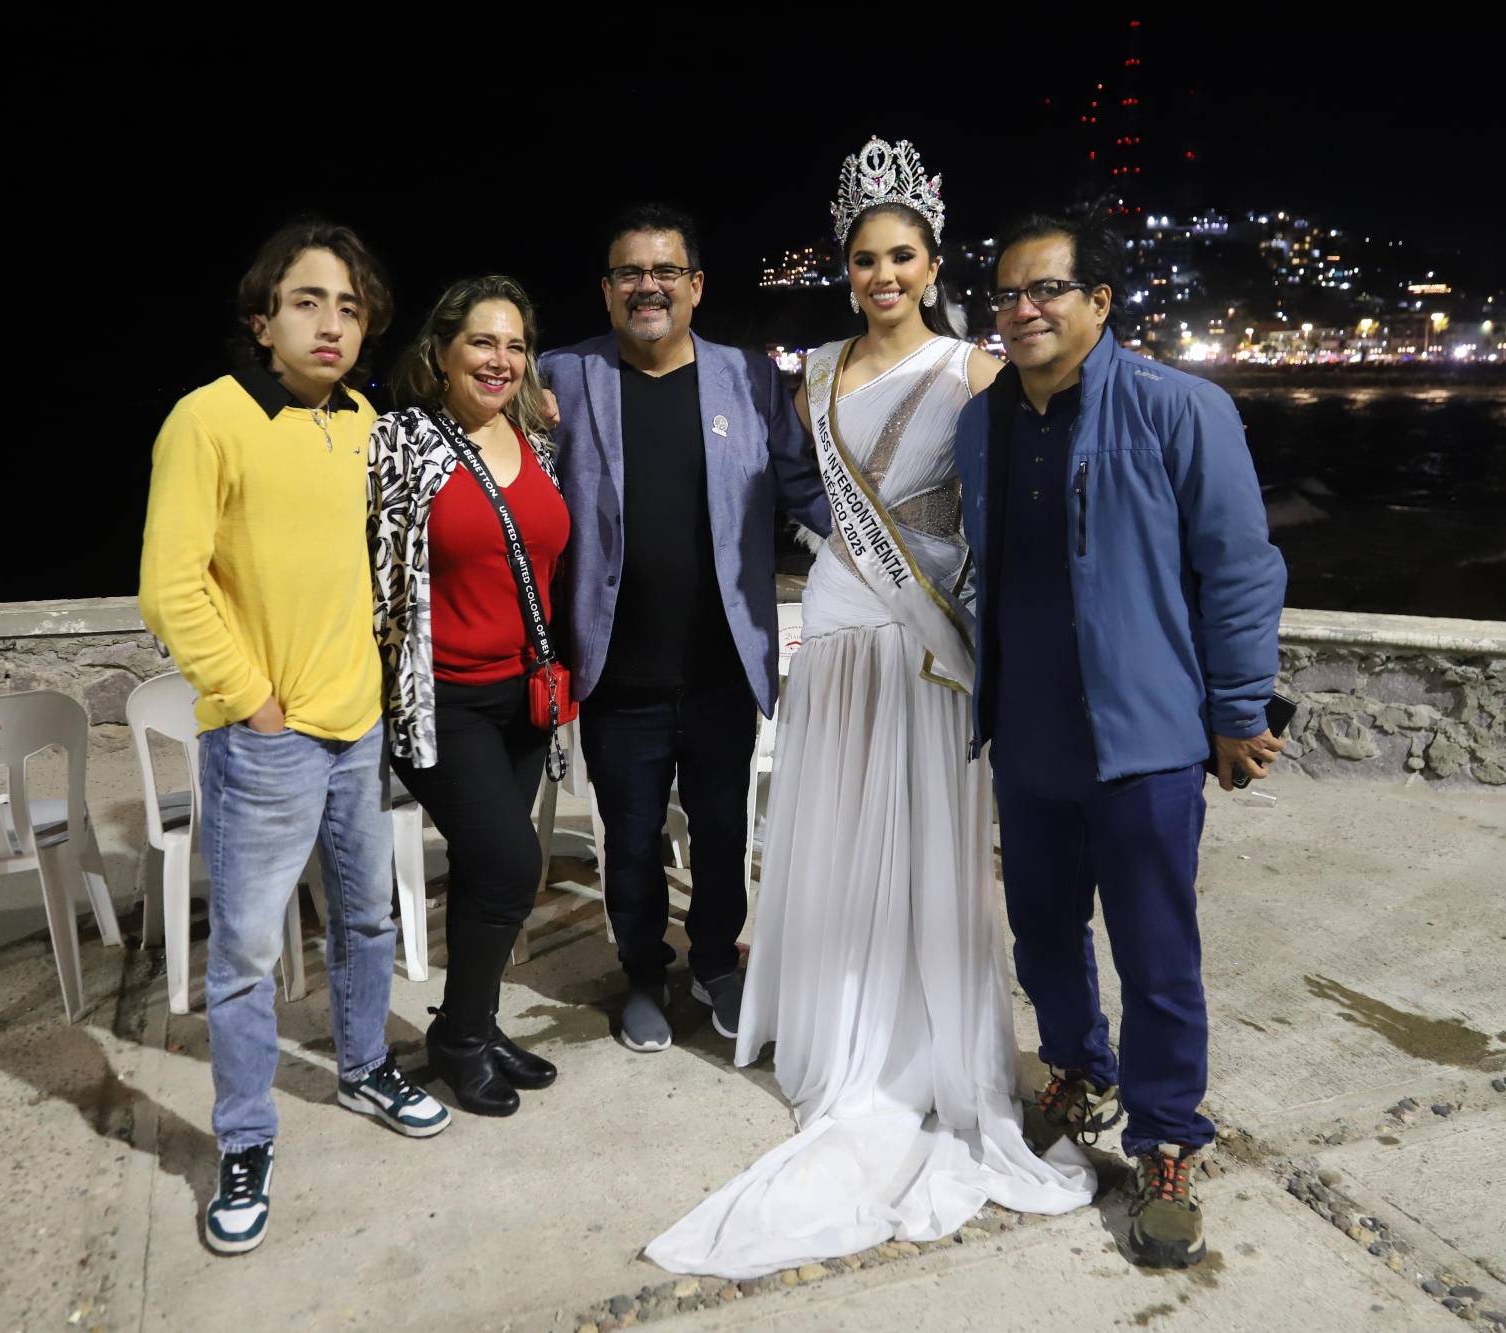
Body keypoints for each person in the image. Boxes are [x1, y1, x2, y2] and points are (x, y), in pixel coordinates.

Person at [646, 139, 1095, 1280]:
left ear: (932, 261)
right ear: (843, 268)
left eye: (899, 256)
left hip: (929, 639)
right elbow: (793, 495)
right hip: (841, 627)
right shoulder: (812, 371)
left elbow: (1003, 519)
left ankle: (919, 1045)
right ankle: (837, 1026)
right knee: (839, 830)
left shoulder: (974, 371)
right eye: (861, 259)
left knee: (926, 838)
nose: (879, 275)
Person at [956, 206, 1287, 1268]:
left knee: (1154, 954)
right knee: (1043, 933)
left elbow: (1238, 567)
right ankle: (1076, 1066)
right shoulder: (982, 424)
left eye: (1046, 288)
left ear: (1099, 301)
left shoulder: (1176, 408)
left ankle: (1165, 1140)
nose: (1023, 308)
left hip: (1142, 739)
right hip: (1027, 730)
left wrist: (1237, 710)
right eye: (1007, 291)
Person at [138, 220, 450, 1258]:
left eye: (350, 307)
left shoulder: (366, 420)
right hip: (266, 740)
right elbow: (170, 582)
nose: (331, 323)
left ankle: (361, 1068)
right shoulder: (209, 419)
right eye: (308, 301)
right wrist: (249, 696)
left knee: (365, 925)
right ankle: (242, 1139)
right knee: (242, 958)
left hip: (357, 729)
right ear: (261, 316)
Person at [538, 204, 829, 1052]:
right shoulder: (562, 374)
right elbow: (511, 482)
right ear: (605, 289)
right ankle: (640, 974)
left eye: (666, 271)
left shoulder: (747, 377)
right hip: (615, 668)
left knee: (721, 827)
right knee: (627, 839)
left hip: (720, 666)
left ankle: (714, 962)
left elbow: (802, 488)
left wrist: (882, 547)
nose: (648, 286)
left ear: (696, 287)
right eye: (630, 272)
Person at [370, 275, 568, 1117]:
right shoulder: (402, 442)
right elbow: (369, 576)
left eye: (516, 344)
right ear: (441, 353)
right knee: (513, 861)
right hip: (441, 698)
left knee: (491, 876)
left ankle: (474, 1026)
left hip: (520, 696)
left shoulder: (535, 443)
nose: (501, 359)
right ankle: (455, 1036)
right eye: (482, 342)